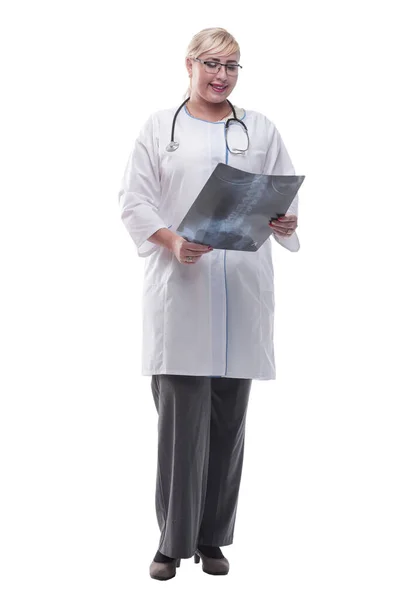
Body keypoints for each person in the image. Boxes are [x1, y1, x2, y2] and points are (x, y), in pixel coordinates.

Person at [118, 27, 301, 581]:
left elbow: (282, 196)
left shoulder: (260, 129)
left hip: (241, 291)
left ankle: (214, 539)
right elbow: (134, 201)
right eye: (212, 64)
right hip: (183, 293)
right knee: (181, 425)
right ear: (190, 64)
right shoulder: (159, 129)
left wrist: (285, 221)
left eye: (233, 66)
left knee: (228, 423)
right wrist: (173, 241)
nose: (222, 76)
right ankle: (172, 544)